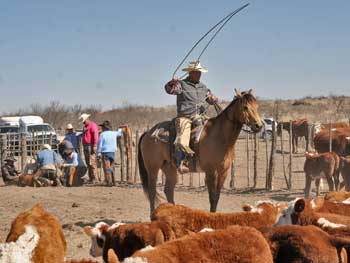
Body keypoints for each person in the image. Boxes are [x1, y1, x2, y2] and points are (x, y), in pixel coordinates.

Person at [164, 61, 218, 169]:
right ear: (190, 73)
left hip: (201, 117)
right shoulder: (181, 85)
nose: (199, 74)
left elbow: (211, 99)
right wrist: (171, 83)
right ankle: (181, 161)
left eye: (200, 72)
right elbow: (169, 90)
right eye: (196, 72)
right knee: (183, 134)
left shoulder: (204, 87)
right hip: (186, 117)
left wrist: (213, 99)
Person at [97, 120, 123, 186]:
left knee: (107, 167)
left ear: (104, 127)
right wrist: (119, 128)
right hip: (112, 151)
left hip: (105, 152)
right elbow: (120, 133)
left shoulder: (102, 134)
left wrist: (98, 153)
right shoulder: (114, 133)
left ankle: (109, 181)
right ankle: (113, 181)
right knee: (112, 166)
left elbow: (100, 144)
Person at [79, 113, 99, 184]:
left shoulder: (93, 125)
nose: (83, 123)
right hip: (86, 146)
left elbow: (95, 135)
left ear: (87, 119)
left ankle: (95, 178)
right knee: (88, 163)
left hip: (90, 145)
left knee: (92, 163)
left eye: (84, 121)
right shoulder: (86, 127)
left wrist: (95, 145)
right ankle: (91, 178)